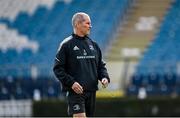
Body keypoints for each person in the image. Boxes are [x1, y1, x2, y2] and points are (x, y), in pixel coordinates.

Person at [53, 12, 110, 118]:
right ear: (77, 24)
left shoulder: (94, 45)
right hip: (76, 92)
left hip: (92, 91)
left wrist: (104, 77)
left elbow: (101, 66)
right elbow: (58, 69)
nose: (90, 26)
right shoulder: (66, 45)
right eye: (88, 23)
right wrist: (72, 83)